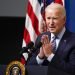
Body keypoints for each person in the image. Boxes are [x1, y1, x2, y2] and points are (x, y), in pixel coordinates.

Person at [27, 3, 75, 75]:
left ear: (64, 20)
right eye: (48, 18)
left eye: (55, 18)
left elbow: (72, 70)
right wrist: (40, 57)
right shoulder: (42, 37)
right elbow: (29, 68)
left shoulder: (73, 40)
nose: (51, 23)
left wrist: (50, 55)